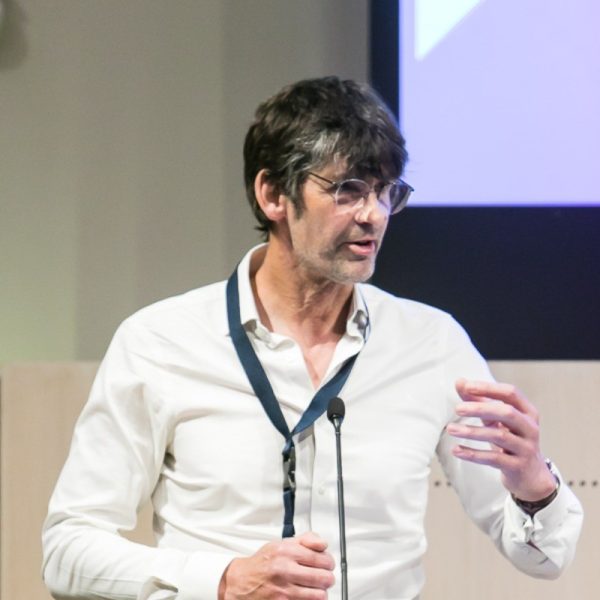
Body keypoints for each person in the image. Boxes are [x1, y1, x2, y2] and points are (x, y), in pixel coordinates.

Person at [42, 76, 583, 600]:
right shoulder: (160, 343)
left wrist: (533, 485)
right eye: (348, 190)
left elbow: (545, 558)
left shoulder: (432, 344)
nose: (374, 215)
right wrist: (223, 581)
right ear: (273, 194)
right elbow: (67, 552)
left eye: (386, 191)